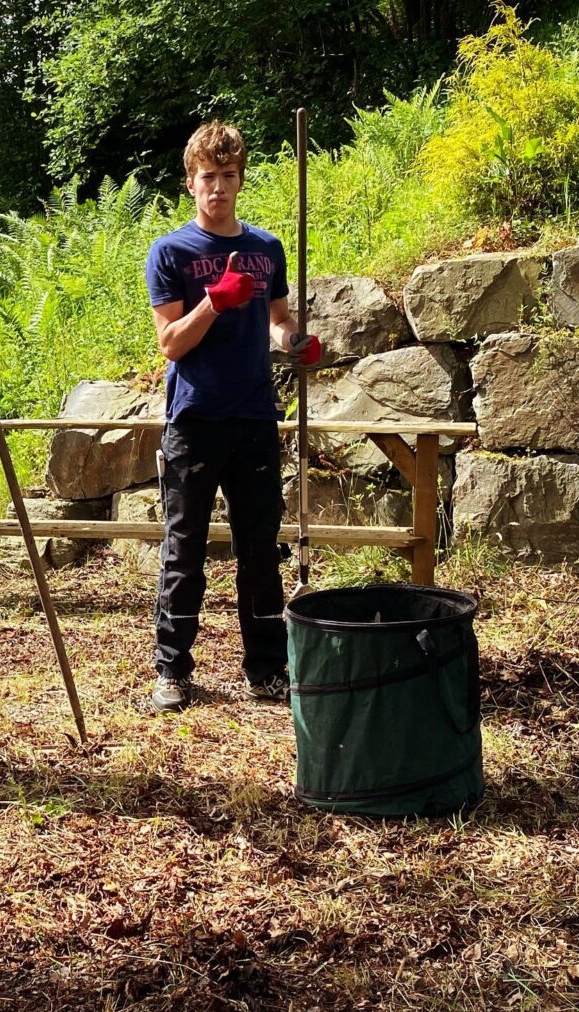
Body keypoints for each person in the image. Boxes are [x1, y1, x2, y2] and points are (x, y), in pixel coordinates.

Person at [145, 121, 321, 714]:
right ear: (190, 183)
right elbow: (170, 343)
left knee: (260, 548)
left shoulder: (266, 249)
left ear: (240, 180)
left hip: (254, 417)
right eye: (207, 177)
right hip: (194, 420)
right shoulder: (171, 252)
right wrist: (213, 302)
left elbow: (277, 318)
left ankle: (267, 668)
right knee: (184, 548)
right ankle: (172, 669)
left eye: (227, 175)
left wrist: (295, 342)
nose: (217, 187)